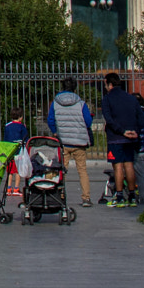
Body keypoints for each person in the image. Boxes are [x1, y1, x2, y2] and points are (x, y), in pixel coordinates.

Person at [45, 76, 95, 207]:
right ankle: (86, 198)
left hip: (63, 141)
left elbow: (50, 119)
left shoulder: (55, 103)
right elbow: (88, 121)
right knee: (82, 170)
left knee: (61, 170)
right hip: (79, 141)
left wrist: (55, 131)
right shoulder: (80, 103)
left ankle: (59, 196)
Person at [99, 72, 143, 208]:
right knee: (129, 165)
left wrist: (122, 131)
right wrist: (134, 131)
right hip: (131, 138)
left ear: (109, 83)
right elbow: (140, 116)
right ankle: (132, 195)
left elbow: (109, 119)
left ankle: (119, 196)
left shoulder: (107, 99)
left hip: (115, 138)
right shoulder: (131, 98)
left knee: (118, 166)